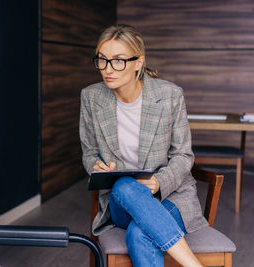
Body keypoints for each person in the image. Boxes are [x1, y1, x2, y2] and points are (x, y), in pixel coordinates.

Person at [79, 24, 207, 267]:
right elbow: (88, 151)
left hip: (171, 196)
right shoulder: (91, 97)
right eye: (102, 60)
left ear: (138, 62)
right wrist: (95, 164)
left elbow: (183, 155)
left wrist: (159, 182)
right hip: (120, 200)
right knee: (125, 185)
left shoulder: (170, 95)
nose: (108, 69)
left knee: (139, 234)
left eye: (118, 61)